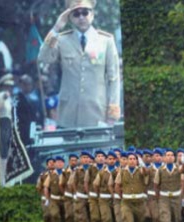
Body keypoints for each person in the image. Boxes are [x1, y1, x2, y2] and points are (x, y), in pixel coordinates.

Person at [38, 0, 121, 128]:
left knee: (97, 148)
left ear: (92, 14)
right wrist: (56, 28)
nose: (81, 17)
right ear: (69, 18)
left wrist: (112, 114)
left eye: (85, 12)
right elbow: (44, 58)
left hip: (98, 115)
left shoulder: (106, 41)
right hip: (68, 116)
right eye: (76, 14)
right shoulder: (61, 40)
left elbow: (113, 79)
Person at [115, 152, 149, 222]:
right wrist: (122, 196)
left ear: (137, 161)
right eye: (130, 159)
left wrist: (142, 163)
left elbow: (146, 172)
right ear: (127, 160)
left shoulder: (140, 171)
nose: (132, 160)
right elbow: (117, 186)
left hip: (139, 202)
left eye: (134, 159)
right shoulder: (122, 172)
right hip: (127, 202)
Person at [154, 149, 184, 222]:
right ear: (164, 157)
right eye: (168, 155)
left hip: (176, 198)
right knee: (166, 221)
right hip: (164, 197)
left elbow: (183, 171)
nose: (170, 157)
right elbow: (156, 185)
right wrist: (159, 198)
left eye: (172, 155)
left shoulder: (178, 169)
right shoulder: (160, 170)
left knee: (176, 221)